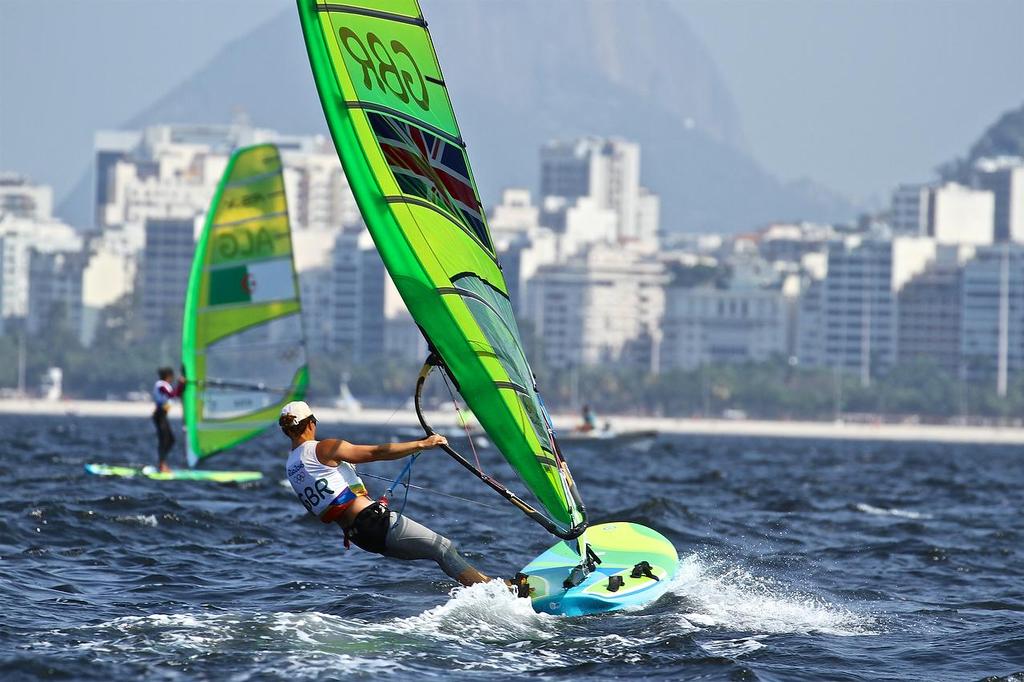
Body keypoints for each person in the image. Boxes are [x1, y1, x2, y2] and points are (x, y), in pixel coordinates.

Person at [280, 400, 496, 586]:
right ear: (311, 422)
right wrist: (423, 443)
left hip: (361, 538)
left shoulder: (291, 467)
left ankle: (490, 586)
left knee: (438, 553)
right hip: (374, 523)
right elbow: (377, 452)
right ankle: (499, 593)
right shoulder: (323, 448)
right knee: (443, 548)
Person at [152, 367, 185, 473]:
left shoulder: (166, 386)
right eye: (172, 376)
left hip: (163, 416)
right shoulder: (161, 385)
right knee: (164, 440)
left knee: (170, 440)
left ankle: (162, 463)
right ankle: (162, 465)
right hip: (159, 415)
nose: (172, 378)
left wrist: (182, 385)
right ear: (168, 376)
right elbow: (171, 395)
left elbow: (177, 394)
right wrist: (180, 384)